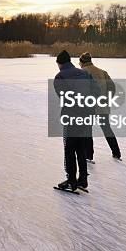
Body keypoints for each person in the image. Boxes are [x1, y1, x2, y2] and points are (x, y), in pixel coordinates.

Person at [53, 50, 99, 192]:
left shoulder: (60, 77)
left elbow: (65, 98)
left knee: (69, 148)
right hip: (86, 115)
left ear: (60, 64)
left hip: (72, 117)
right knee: (80, 148)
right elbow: (96, 91)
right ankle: (83, 179)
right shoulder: (85, 73)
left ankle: (71, 180)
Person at [79, 52, 122, 161]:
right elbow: (112, 87)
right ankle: (116, 152)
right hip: (102, 106)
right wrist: (107, 99)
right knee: (107, 129)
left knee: (87, 130)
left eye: (79, 62)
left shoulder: (81, 73)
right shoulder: (103, 72)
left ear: (82, 62)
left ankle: (88, 156)